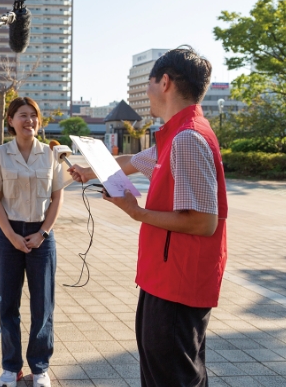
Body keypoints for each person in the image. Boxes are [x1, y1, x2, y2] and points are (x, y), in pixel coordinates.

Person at [69, 47, 227, 387]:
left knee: (172, 378)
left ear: (165, 82)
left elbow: (204, 222)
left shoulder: (187, 138)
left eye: (149, 83)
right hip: (166, 278)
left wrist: (135, 211)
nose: (146, 92)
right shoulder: (179, 134)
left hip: (178, 283)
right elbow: (135, 160)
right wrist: (89, 168)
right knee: (168, 372)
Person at [0, 97, 65, 387]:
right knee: (9, 305)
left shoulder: (52, 155)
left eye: (34, 116)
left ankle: (40, 367)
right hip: (8, 235)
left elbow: (57, 197)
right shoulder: (0, 155)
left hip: (42, 235)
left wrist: (43, 233)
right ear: (11, 121)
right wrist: (12, 236)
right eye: (22, 116)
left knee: (43, 305)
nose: (29, 121)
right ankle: (11, 367)